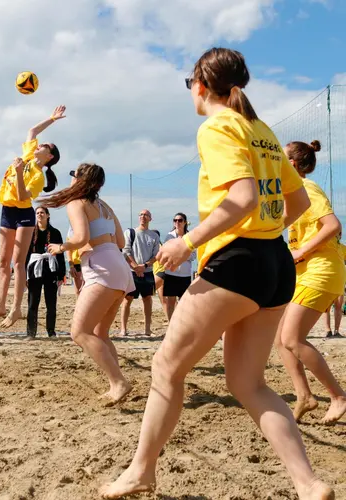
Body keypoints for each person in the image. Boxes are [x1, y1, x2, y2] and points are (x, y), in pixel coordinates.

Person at [99, 48, 334, 500]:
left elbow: (243, 197)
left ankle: (141, 471)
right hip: (276, 264)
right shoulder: (261, 130)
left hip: (237, 264)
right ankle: (308, 484)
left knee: (166, 367)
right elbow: (298, 203)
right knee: (249, 384)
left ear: (201, 86)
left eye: (189, 84)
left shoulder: (217, 126)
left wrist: (186, 242)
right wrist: (263, 235)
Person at [43, 164, 135, 404]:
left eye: (74, 176)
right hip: (119, 267)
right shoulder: (105, 206)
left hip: (101, 267)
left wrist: (60, 247)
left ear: (81, 180)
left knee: (79, 332)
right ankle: (117, 382)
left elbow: (81, 237)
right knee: (101, 333)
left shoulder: (76, 203)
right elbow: (121, 239)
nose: (71, 180)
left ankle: (119, 382)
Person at [274, 140, 346, 425]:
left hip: (322, 269)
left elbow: (333, 225)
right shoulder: (292, 195)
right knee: (281, 339)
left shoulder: (308, 188)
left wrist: (301, 252)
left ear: (291, 165)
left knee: (292, 338)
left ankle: (338, 396)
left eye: (279, 158)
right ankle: (304, 395)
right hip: (306, 272)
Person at [0, 105, 66, 327]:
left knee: (18, 263)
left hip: (23, 213)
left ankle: (16, 309)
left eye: (46, 146)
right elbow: (32, 131)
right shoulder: (29, 154)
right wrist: (52, 118)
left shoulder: (38, 176)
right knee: (2, 261)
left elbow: (21, 196)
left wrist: (19, 172)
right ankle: (0, 305)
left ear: (48, 157)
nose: (41, 144)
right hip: (7, 210)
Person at [26, 206, 66, 338]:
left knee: (51, 303)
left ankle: (51, 331)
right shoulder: (30, 232)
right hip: (34, 269)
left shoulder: (55, 232)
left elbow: (60, 254)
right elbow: (26, 254)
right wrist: (24, 274)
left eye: (42, 213)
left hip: (50, 269)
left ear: (48, 215)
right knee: (32, 302)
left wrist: (61, 274)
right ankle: (31, 332)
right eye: (37, 213)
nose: (39, 215)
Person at [120, 210, 160, 336]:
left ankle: (147, 329)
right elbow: (126, 251)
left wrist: (145, 266)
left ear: (150, 218)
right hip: (132, 271)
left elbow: (157, 255)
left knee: (147, 299)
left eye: (146, 215)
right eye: (141, 215)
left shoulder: (154, 236)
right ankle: (123, 329)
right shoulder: (130, 232)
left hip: (147, 272)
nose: (143, 217)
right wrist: (136, 267)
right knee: (128, 299)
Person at [162, 213, 195, 321]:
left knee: (184, 302)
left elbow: (193, 255)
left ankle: (182, 323)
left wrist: (180, 256)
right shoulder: (169, 236)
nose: (177, 223)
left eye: (180, 220)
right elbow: (166, 253)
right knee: (170, 300)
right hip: (171, 273)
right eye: (175, 220)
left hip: (185, 274)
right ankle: (171, 324)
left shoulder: (190, 236)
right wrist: (183, 254)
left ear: (185, 222)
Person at [67, 229, 84, 296]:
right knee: (79, 291)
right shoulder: (71, 230)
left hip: (88, 262)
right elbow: (68, 250)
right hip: (76, 263)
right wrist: (71, 266)